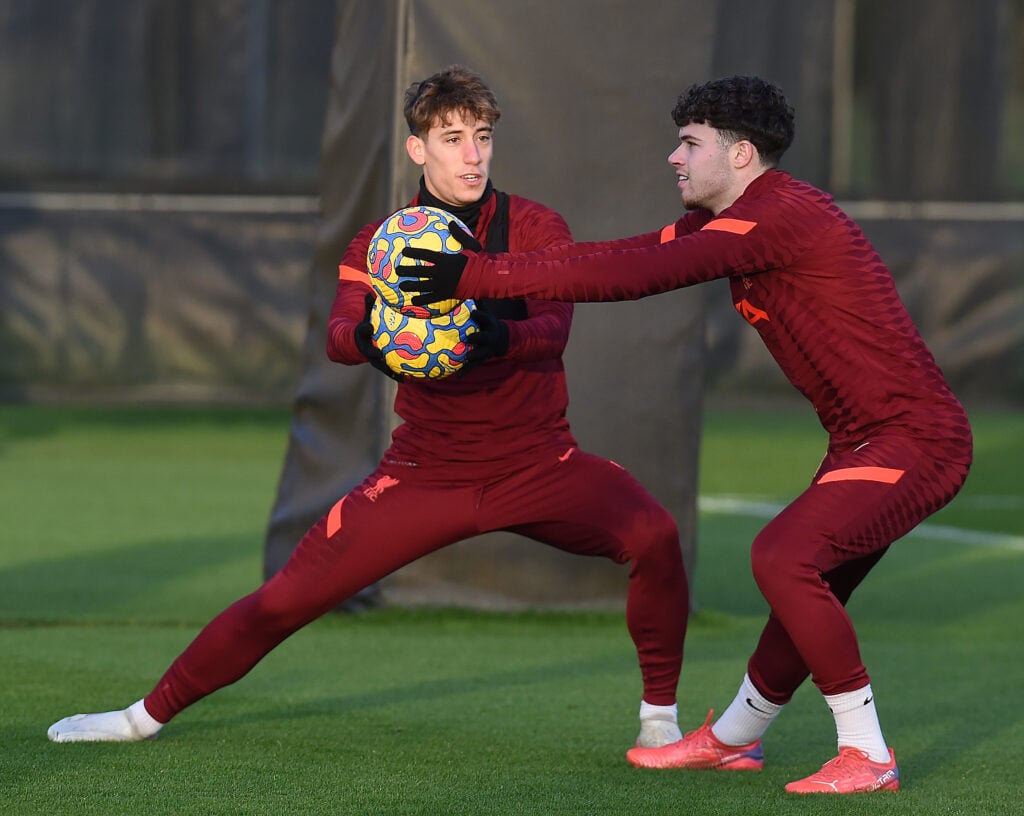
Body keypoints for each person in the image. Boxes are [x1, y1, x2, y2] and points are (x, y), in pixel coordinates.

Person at [47, 65, 690, 755]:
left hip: (538, 463)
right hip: (425, 473)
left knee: (654, 536)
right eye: (452, 139)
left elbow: (553, 330)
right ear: (418, 149)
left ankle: (660, 722)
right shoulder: (379, 243)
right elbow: (338, 337)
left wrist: (490, 336)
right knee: (283, 601)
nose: (472, 156)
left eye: (482, 137)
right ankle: (141, 717)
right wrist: (381, 341)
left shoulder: (533, 224)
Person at [397, 74, 973, 795]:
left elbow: (637, 275)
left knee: (783, 556)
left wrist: (474, 275)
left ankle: (867, 753)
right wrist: (480, 272)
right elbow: (610, 257)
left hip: (917, 441)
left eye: (690, 144)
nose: (674, 157)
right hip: (863, 441)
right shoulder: (726, 222)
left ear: (740, 155)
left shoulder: (774, 216)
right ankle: (733, 739)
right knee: (808, 580)